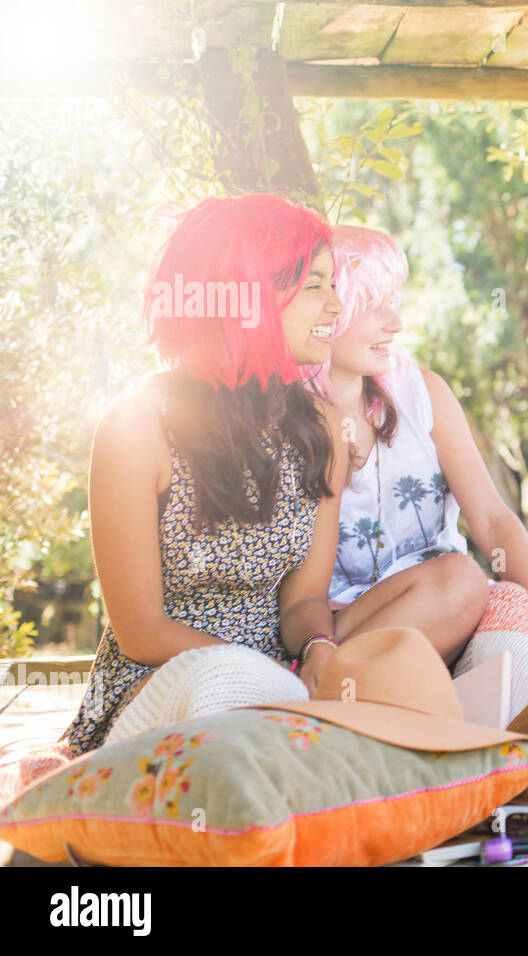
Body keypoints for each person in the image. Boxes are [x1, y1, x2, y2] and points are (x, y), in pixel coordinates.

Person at [63, 194, 351, 756]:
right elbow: (140, 630)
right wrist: (271, 679)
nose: (336, 306)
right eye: (314, 285)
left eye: (331, 283)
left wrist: (319, 648)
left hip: (278, 673)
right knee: (220, 685)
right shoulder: (136, 425)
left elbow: (302, 601)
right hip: (169, 682)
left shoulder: (321, 427)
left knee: (400, 655)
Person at [304, 226, 528, 675]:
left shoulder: (422, 392)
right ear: (328, 313)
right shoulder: (291, 424)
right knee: (464, 579)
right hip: (361, 624)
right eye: (372, 305)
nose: (395, 323)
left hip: (456, 614)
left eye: (394, 302)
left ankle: (508, 682)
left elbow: (493, 519)